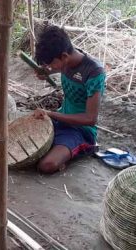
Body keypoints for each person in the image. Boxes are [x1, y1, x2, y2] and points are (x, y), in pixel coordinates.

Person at [33, 26, 106, 174]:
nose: (50, 67)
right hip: (60, 120)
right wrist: (45, 72)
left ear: (64, 56)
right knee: (25, 134)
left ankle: (84, 148)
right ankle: (61, 148)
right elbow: (53, 68)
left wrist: (51, 114)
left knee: (47, 165)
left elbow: (90, 119)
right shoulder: (65, 59)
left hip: (80, 130)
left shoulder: (93, 72)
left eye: (51, 63)